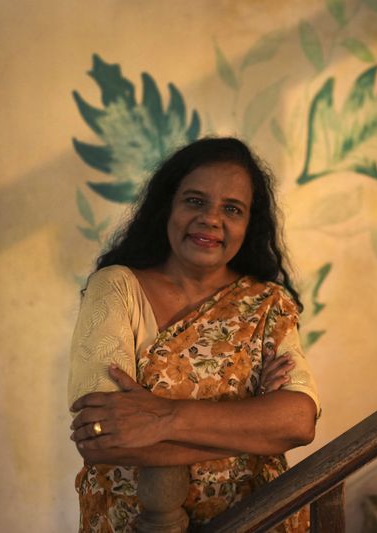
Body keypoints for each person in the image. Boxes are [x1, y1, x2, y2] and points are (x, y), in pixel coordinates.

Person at [67, 137, 320, 532]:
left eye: (232, 209)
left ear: (248, 224)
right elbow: (101, 438)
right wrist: (256, 431)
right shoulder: (116, 288)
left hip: (252, 517)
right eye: (195, 201)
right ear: (169, 206)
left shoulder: (267, 303)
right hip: (132, 519)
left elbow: (298, 423)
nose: (211, 219)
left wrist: (163, 417)